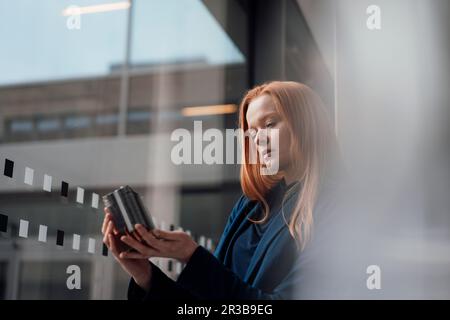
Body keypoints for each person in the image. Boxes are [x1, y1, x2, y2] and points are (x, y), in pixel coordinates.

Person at [101, 81, 345, 300]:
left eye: (270, 124)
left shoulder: (337, 207)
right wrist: (145, 276)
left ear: (306, 125)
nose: (258, 140)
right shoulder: (250, 206)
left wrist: (192, 256)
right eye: (252, 132)